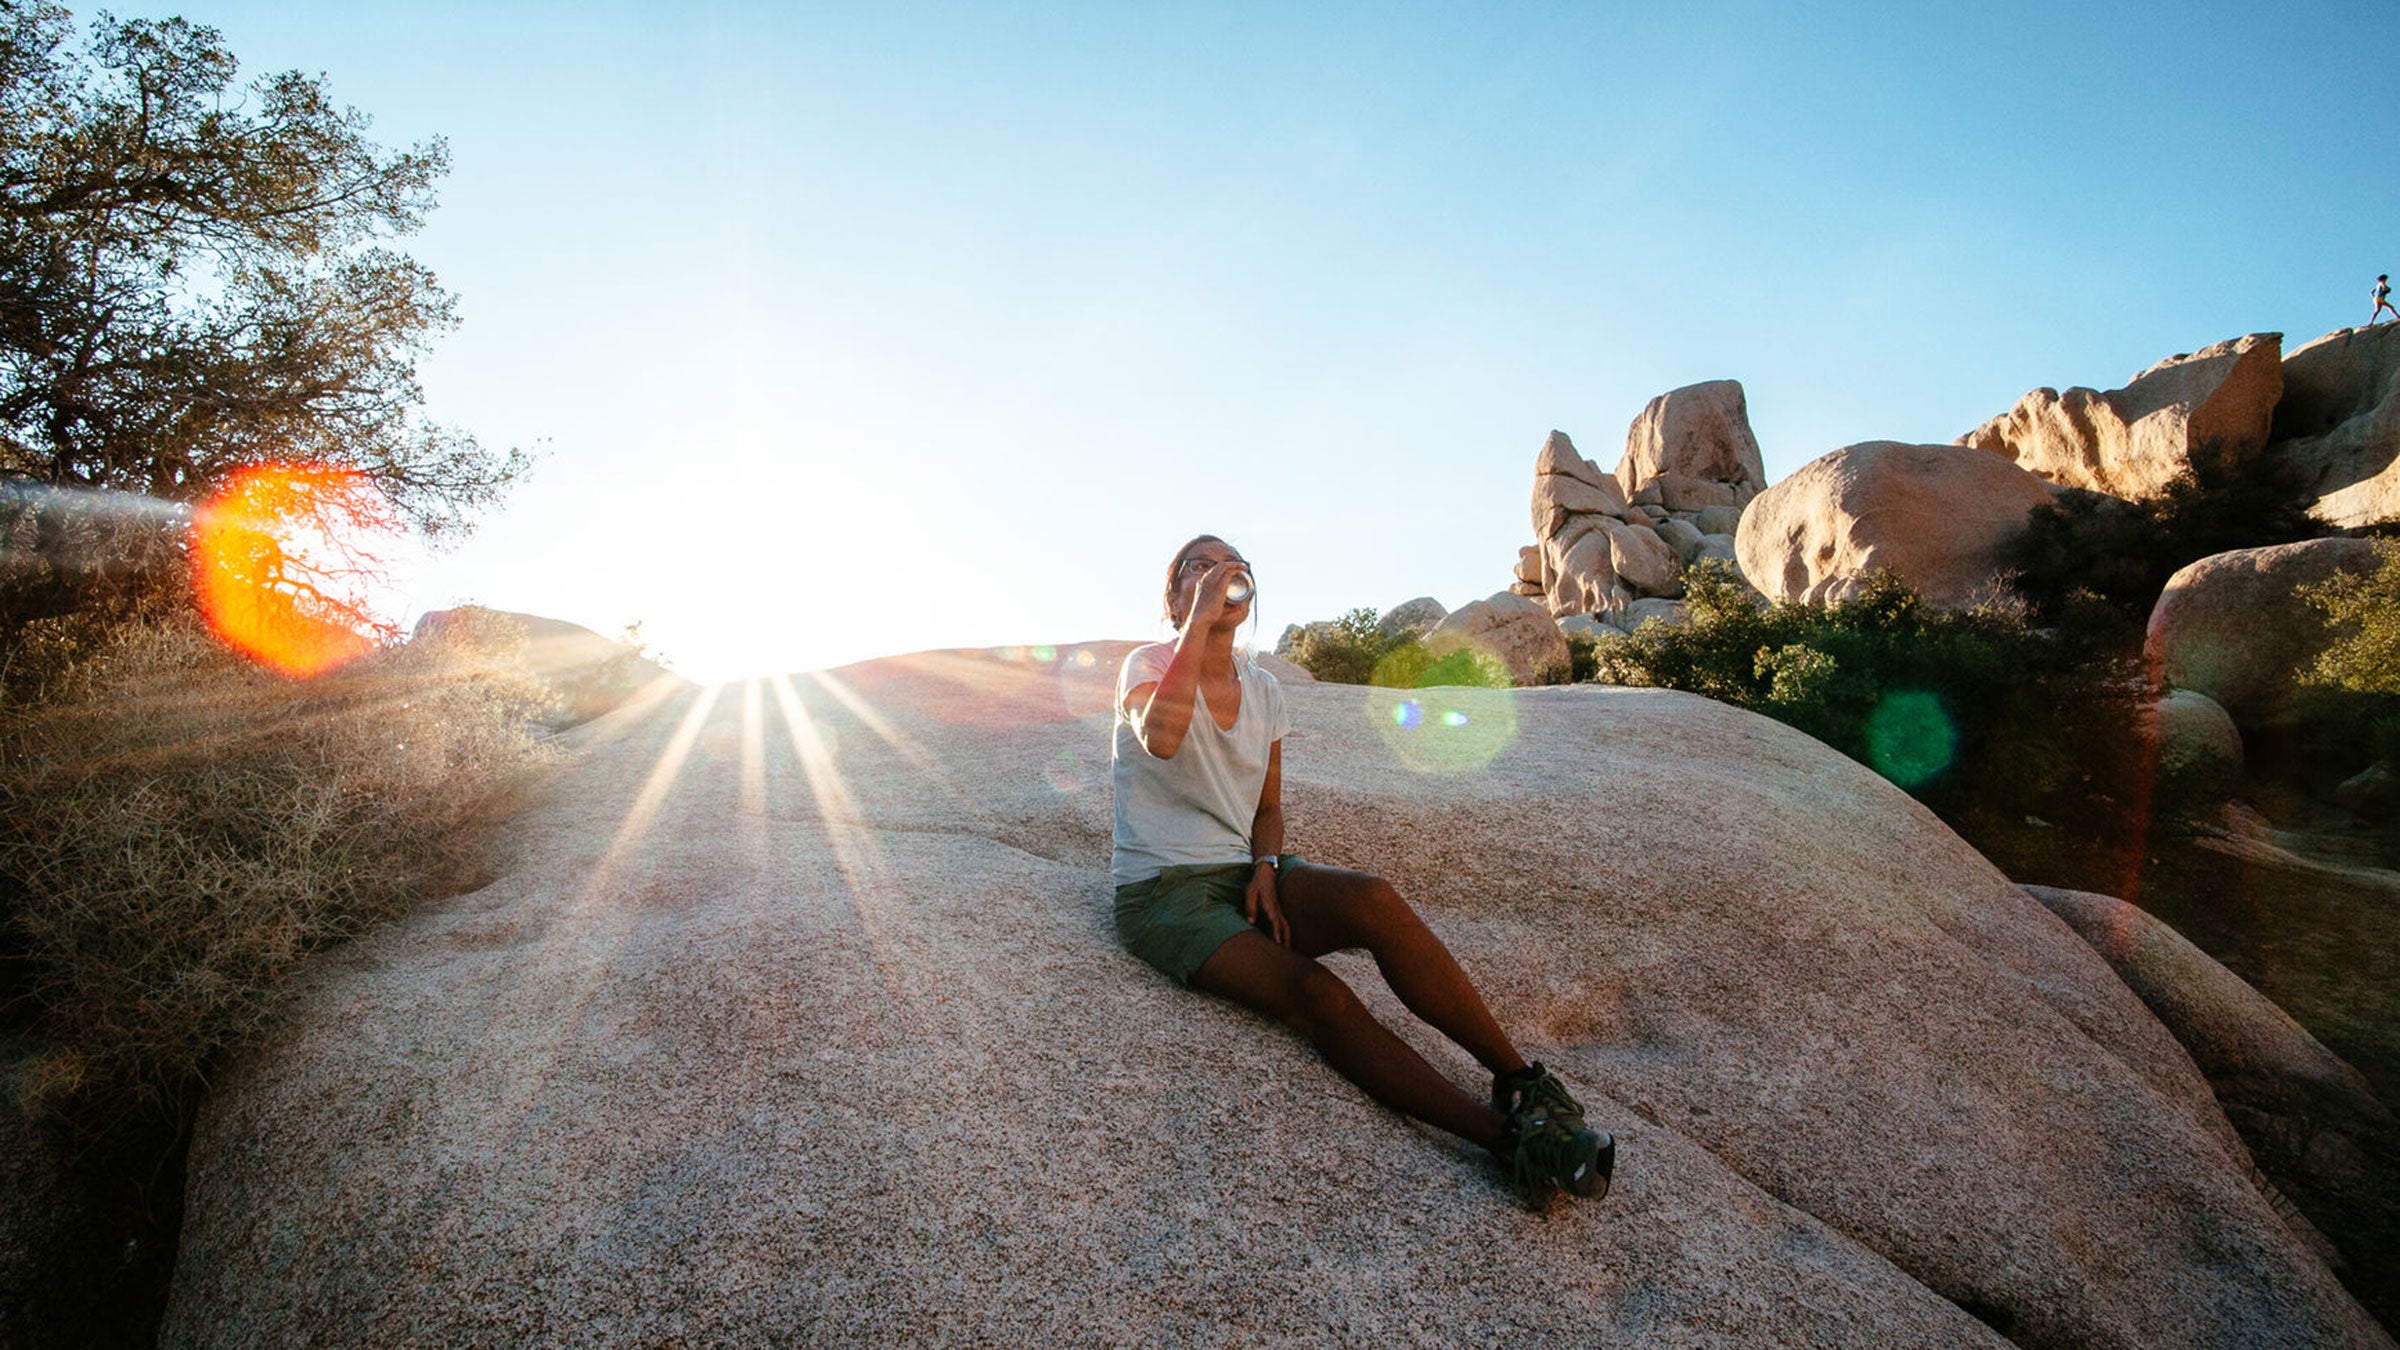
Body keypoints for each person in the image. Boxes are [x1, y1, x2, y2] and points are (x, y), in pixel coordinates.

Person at [1109, 534, 1613, 1206]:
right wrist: (1198, 624)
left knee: (1374, 899)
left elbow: (1268, 808)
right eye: (1196, 569)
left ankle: (1520, 1080)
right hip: (1166, 895)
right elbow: (1162, 740)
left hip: (1243, 873)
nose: (1217, 576)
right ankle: (1510, 1142)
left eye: (1232, 568)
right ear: (1173, 599)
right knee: (1316, 994)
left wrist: (1264, 866)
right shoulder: (1147, 663)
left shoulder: (1262, 689)